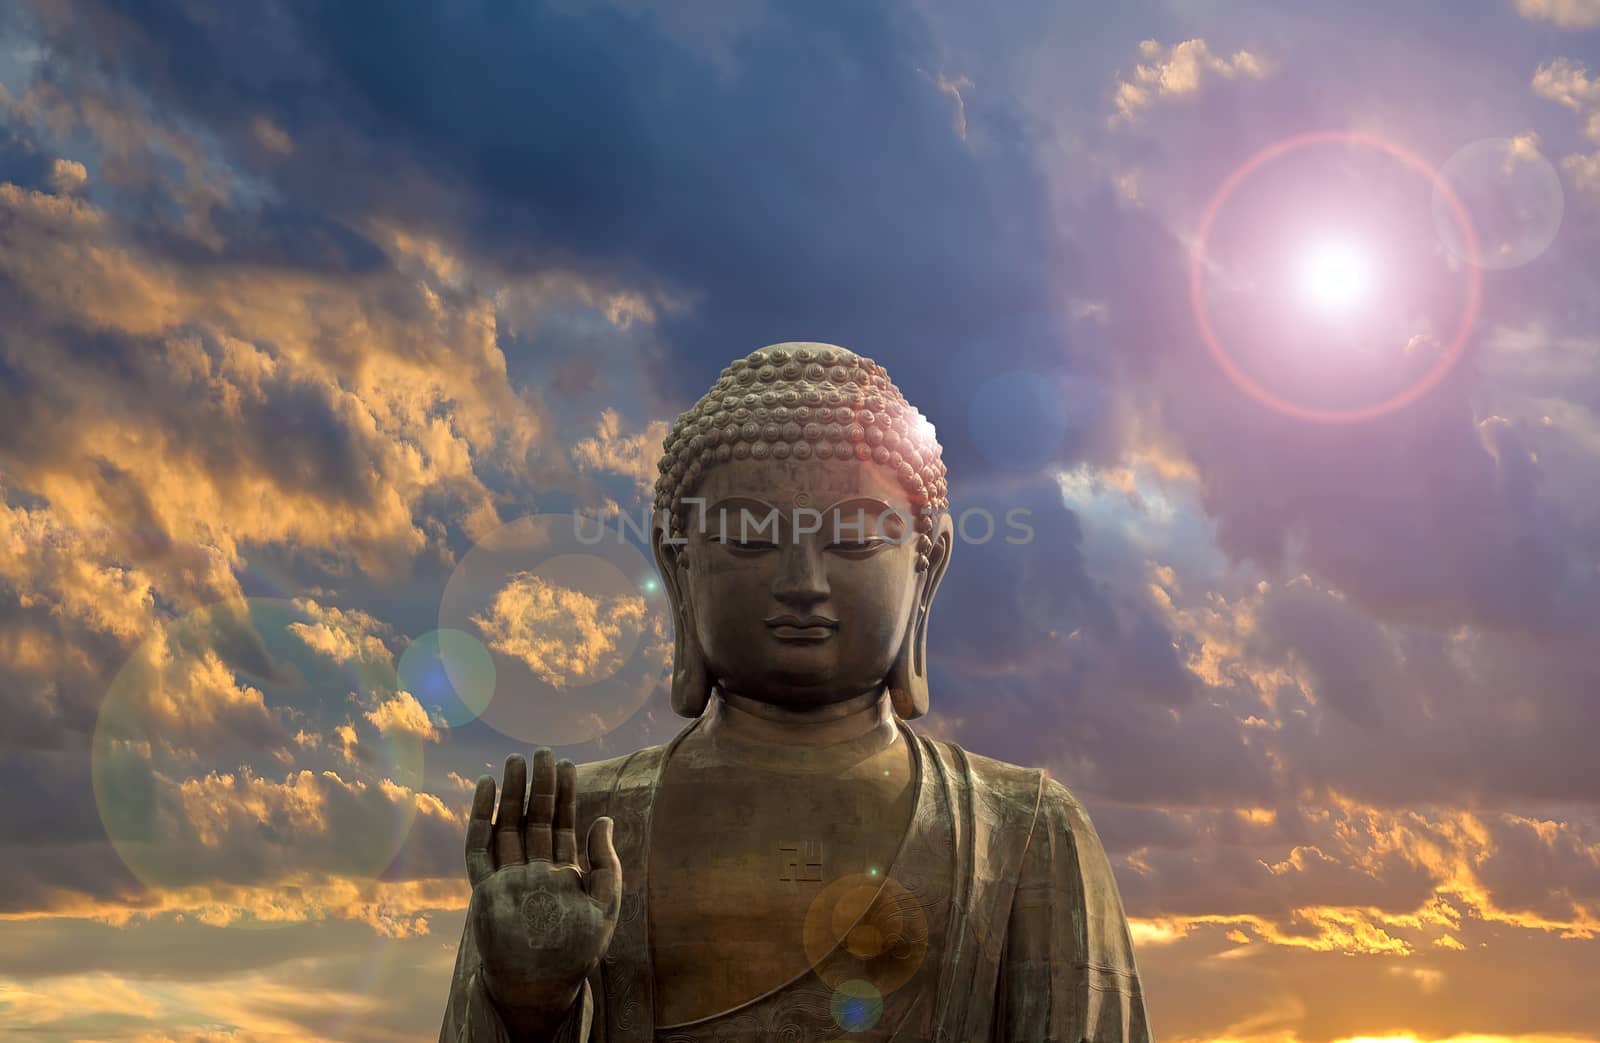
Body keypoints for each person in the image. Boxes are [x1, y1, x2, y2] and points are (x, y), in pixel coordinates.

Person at [439, 343, 1152, 1041]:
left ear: (925, 564)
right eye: (748, 539)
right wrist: (529, 1005)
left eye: (853, 540)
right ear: (678, 563)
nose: (802, 582)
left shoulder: (1026, 830)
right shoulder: (572, 834)